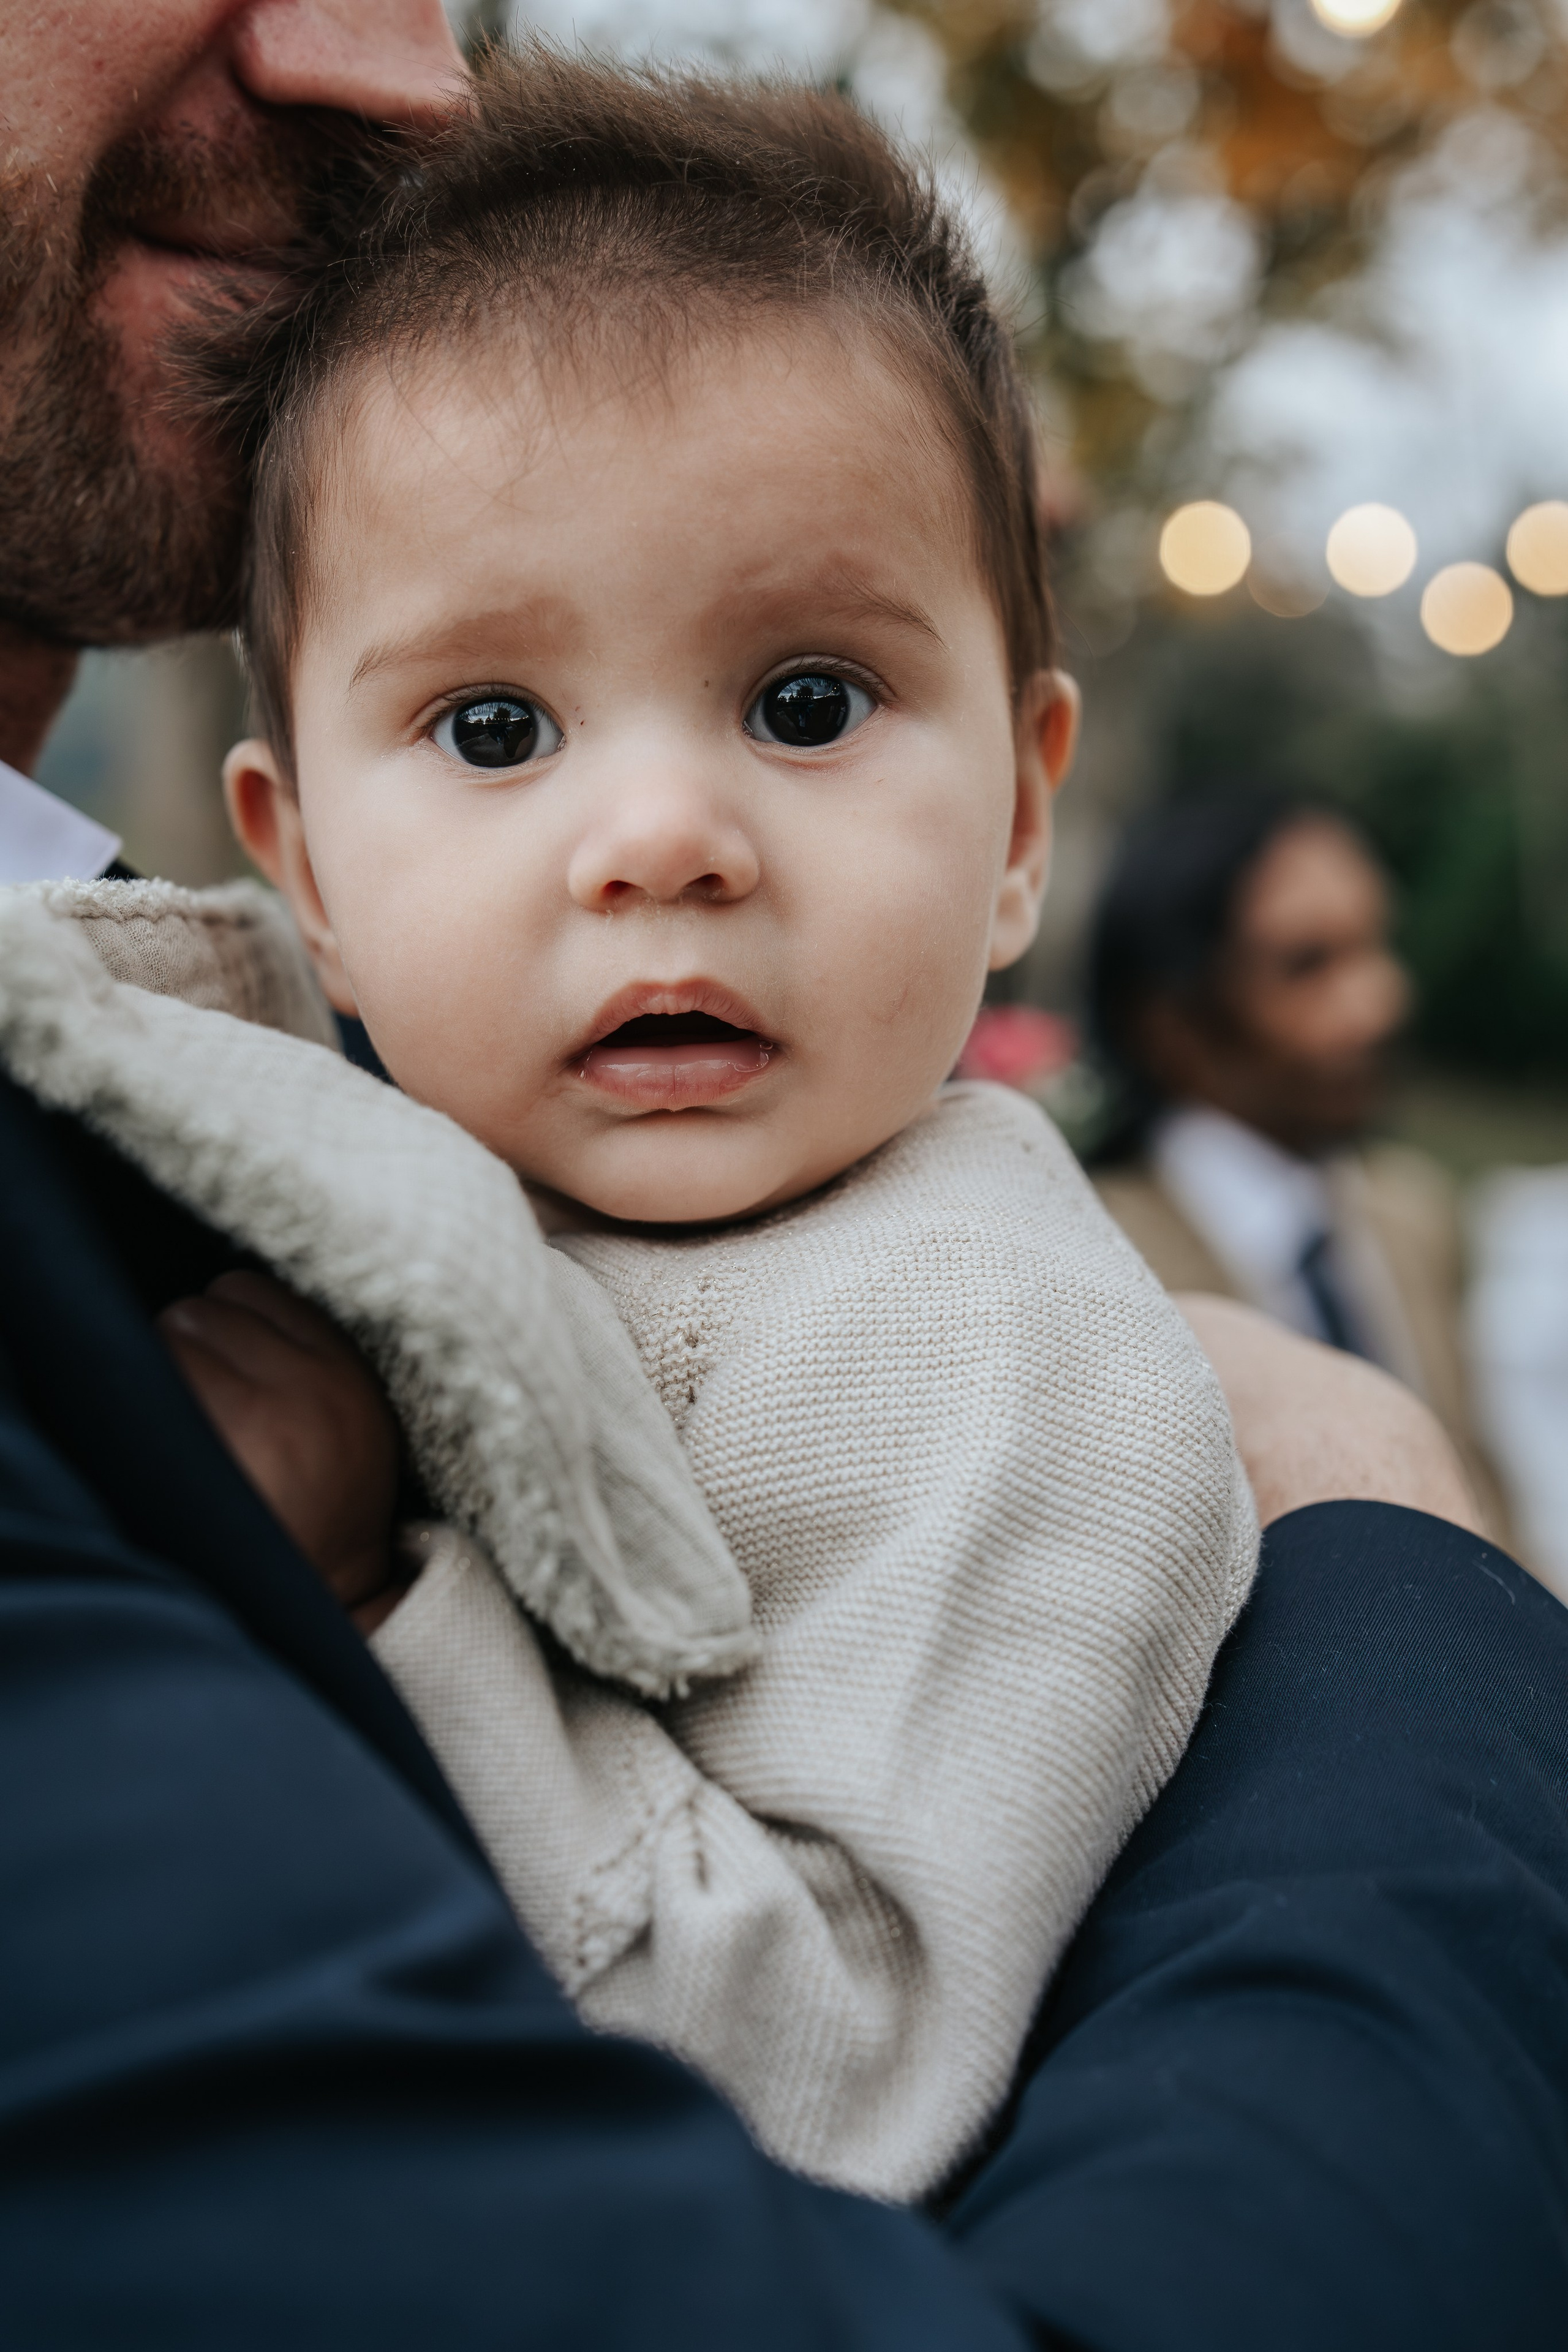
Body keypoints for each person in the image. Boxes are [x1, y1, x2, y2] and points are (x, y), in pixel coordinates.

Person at [0, 7, 1565, 2341]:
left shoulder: (976, 1350)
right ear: (296, 855)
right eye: (497, 729)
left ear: (1024, 815)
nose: (661, 842)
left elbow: (831, 2076)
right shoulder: (259, 1142)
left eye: (807, 702)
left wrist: (370, 1594)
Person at [1086, 790, 1509, 1539]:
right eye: (1308, 965)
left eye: (1377, 944)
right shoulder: (1095, 1265)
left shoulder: (1416, 1213)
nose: (1382, 1000)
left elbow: (1490, 1504)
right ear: (1170, 1025)